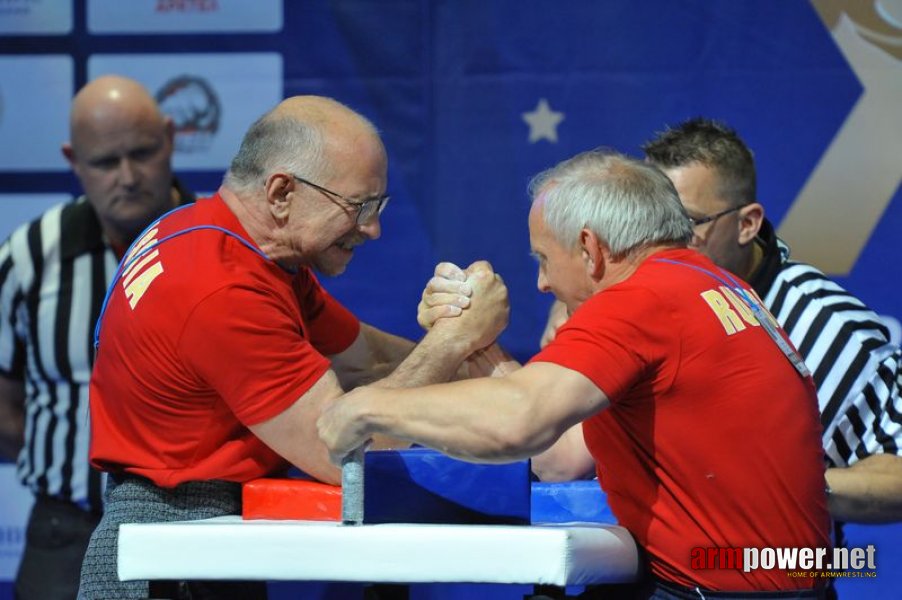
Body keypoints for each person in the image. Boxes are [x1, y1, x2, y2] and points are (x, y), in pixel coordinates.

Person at [319, 149, 832, 598]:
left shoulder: (641, 301)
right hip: (776, 582)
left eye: (543, 258)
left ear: (590, 248)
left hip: (717, 591)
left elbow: (517, 424)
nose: (541, 284)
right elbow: (560, 457)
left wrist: (364, 407)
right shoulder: (706, 284)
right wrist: (477, 345)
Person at [78, 95, 509, 599]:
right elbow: (347, 454)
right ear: (282, 192)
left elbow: (366, 360)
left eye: (378, 205)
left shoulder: (233, 245)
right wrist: (454, 338)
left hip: (197, 541)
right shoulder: (221, 291)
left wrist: (487, 363)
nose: (373, 228)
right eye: (359, 206)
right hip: (174, 558)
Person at [533, 119, 902, 526]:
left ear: (747, 223)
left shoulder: (828, 325)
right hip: (619, 563)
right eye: (644, 220)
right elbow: (561, 459)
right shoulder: (618, 301)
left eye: (686, 223)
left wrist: (784, 486)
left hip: (753, 575)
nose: (660, 238)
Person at [0, 75, 194, 600]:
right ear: (73, 159)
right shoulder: (28, 256)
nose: (127, 177)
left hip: (200, 533)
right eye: (106, 162)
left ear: (171, 138)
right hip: (65, 533)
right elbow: (4, 405)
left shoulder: (225, 247)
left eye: (143, 153)